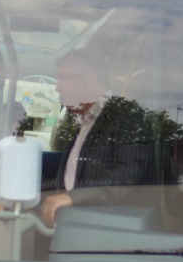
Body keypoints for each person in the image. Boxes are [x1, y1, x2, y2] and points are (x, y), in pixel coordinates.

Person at [39, 50, 151, 226]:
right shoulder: (85, 123)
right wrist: (20, 198)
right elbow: (69, 182)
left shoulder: (125, 117)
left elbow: (127, 175)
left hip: (108, 231)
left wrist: (74, 198)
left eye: (64, 78)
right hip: (73, 226)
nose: (57, 88)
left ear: (90, 80)